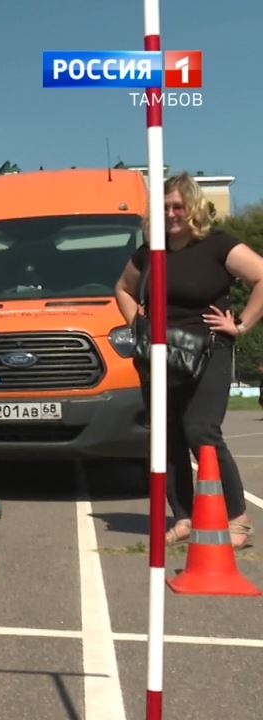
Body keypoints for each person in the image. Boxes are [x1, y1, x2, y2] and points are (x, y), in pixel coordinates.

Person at [114, 172, 263, 549]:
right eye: (164, 208)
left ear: (192, 207)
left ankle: (237, 520)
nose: (171, 213)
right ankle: (183, 517)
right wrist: (140, 323)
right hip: (159, 353)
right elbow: (122, 288)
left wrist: (242, 324)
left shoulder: (216, 245)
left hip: (209, 348)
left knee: (201, 430)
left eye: (177, 206)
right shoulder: (150, 252)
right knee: (166, 437)